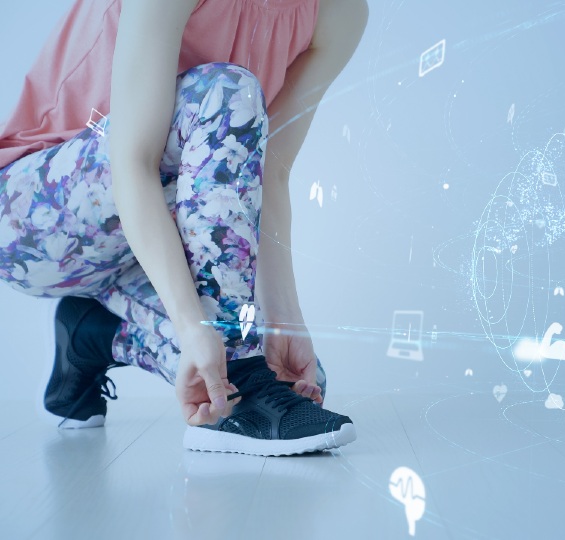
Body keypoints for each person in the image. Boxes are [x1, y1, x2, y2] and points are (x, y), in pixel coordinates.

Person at [0, 0, 368, 456]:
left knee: (289, 377)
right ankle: (237, 385)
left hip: (145, 236)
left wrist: (285, 322)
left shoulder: (340, 12)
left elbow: (266, 175)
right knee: (227, 89)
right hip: (27, 221)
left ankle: (90, 335)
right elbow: (132, 162)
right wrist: (198, 326)